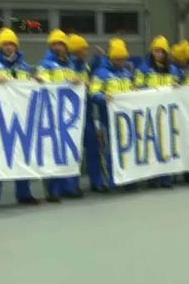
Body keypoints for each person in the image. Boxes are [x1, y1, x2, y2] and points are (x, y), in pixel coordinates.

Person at [0, 28, 40, 210]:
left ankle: (24, 194)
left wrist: (37, 81)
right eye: (6, 44)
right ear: (0, 46)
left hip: (20, 118)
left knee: (23, 154)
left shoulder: (24, 67)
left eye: (12, 43)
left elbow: (28, 88)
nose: (9, 47)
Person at [38, 30, 82, 202]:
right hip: (51, 114)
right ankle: (53, 189)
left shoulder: (70, 65)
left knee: (69, 150)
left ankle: (69, 187)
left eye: (61, 44)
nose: (58, 47)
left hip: (69, 115)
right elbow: (40, 82)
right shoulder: (45, 64)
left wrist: (78, 83)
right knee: (53, 150)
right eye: (55, 44)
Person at [87, 38, 135, 191]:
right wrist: (103, 97)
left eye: (123, 59)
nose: (121, 62)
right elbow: (93, 93)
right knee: (109, 151)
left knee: (127, 149)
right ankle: (112, 180)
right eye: (118, 59)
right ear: (112, 58)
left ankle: (128, 179)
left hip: (125, 120)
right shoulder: (101, 73)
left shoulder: (127, 74)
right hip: (107, 119)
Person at [135, 36, 179, 188]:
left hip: (167, 114)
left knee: (167, 144)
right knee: (151, 145)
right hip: (150, 113)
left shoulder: (172, 70)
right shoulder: (143, 68)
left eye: (161, 51)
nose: (158, 54)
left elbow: (179, 87)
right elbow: (137, 87)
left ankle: (166, 178)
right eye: (156, 51)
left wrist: (176, 85)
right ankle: (153, 178)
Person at [68, 34, 91, 197]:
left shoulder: (85, 66)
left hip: (86, 110)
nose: (86, 51)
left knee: (91, 149)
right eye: (83, 48)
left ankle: (96, 182)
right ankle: (71, 186)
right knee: (72, 150)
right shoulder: (69, 67)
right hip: (71, 114)